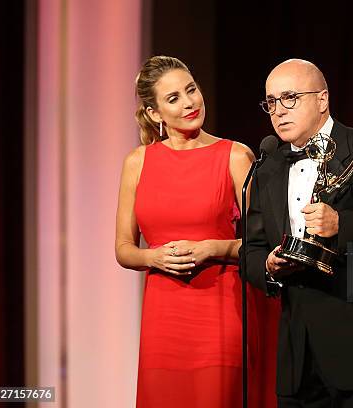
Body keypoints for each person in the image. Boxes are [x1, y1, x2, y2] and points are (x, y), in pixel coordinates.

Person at [245, 58, 353, 407]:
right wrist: (269, 268)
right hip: (298, 360)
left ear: (322, 100)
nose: (278, 110)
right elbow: (252, 250)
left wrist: (343, 224)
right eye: (271, 102)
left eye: (290, 97)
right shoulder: (267, 165)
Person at [115, 55, 277, 408]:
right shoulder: (137, 162)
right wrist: (152, 256)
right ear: (155, 113)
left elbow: (262, 243)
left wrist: (212, 249)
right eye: (173, 98)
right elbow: (124, 248)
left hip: (221, 312)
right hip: (163, 319)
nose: (189, 102)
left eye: (191, 90)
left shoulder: (235, 156)